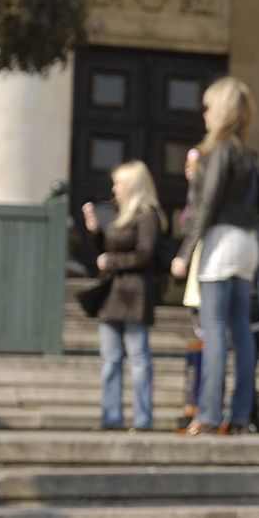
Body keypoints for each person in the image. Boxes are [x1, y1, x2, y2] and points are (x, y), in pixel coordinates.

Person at [171, 76, 259, 436]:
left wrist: (185, 252)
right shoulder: (246, 152)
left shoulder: (218, 150)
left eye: (208, 107)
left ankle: (207, 413)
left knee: (215, 329)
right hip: (246, 242)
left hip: (220, 241)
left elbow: (206, 204)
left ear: (220, 111)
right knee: (240, 330)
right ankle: (237, 417)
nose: (204, 114)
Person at [82, 160, 165, 432]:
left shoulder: (147, 214)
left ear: (131, 185)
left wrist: (111, 262)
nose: (114, 189)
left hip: (134, 295)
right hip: (113, 295)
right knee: (110, 358)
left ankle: (142, 419)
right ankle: (111, 416)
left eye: (118, 183)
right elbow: (106, 250)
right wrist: (95, 233)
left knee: (138, 359)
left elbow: (145, 254)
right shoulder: (121, 215)